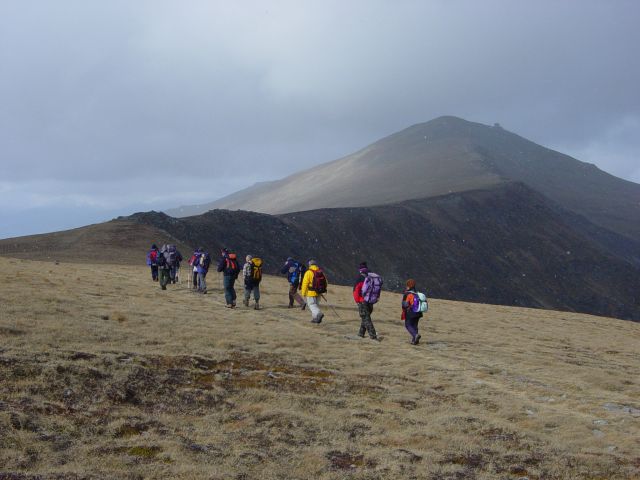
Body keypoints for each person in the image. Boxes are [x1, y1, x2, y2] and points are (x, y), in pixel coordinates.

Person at [353, 262, 379, 341]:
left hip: (362, 301)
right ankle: (361, 334)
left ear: (360, 270)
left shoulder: (360, 278)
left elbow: (356, 290)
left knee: (366, 318)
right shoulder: (371, 277)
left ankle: (373, 336)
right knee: (365, 318)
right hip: (370, 301)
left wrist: (357, 301)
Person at [300, 259, 327, 323]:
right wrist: (321, 290)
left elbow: (305, 283)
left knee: (311, 305)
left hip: (310, 292)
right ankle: (315, 318)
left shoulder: (308, 272)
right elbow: (325, 282)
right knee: (316, 305)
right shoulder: (320, 272)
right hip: (318, 292)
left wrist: (303, 293)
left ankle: (318, 314)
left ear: (309, 264)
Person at [402, 279, 423, 345]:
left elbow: (404, 305)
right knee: (415, 326)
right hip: (419, 312)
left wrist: (404, 310)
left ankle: (415, 335)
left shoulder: (407, 294)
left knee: (408, 325)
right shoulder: (417, 293)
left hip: (411, 312)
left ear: (408, 286)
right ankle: (415, 341)